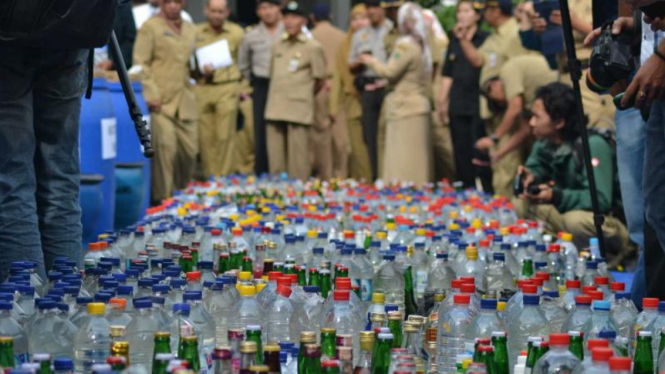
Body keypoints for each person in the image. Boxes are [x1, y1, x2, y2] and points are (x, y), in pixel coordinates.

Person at [514, 83, 633, 265]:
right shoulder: (545, 142)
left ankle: (607, 258)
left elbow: (600, 200)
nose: (531, 123)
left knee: (575, 221)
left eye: (537, 117)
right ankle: (556, 256)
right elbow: (537, 167)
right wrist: (530, 178)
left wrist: (556, 196)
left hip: (606, 222)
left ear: (559, 122)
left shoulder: (592, 145)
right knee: (522, 205)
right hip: (567, 214)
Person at [456, 0, 534, 196]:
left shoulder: (514, 33)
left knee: (507, 165)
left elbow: (521, 71)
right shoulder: (494, 37)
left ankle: (508, 214)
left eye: (486, 10)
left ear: (497, 10)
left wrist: (511, 101)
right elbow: (477, 60)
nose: (483, 15)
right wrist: (463, 39)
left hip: (509, 110)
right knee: (496, 164)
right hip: (491, 109)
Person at [359, 2, 432, 183]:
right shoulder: (422, 45)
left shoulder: (405, 46)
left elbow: (390, 72)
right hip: (417, 104)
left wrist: (371, 61)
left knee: (403, 162)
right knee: (417, 160)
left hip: (404, 107)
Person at [133, 0, 198, 204]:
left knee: (190, 152)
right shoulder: (150, 27)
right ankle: (163, 200)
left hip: (185, 100)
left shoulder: (190, 28)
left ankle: (182, 197)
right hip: (161, 100)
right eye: (169, 2)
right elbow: (140, 64)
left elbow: (193, 62)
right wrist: (151, 94)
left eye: (178, 2)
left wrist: (204, 69)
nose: (173, 6)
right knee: (166, 151)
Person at [264, 1, 327, 180]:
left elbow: (320, 80)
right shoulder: (278, 45)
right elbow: (272, 74)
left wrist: (303, 93)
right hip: (275, 106)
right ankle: (276, 193)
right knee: (276, 157)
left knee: (299, 160)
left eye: (295, 17)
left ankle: (299, 194)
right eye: (286, 17)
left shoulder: (313, 47)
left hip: (298, 108)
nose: (290, 21)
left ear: (304, 20)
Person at [439, 0, 489, 189]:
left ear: (477, 15)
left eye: (466, 11)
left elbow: (480, 62)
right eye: (459, 11)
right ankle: (464, 190)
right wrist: (442, 101)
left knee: (479, 152)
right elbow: (447, 74)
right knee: (460, 152)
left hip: (478, 102)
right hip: (458, 103)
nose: (461, 15)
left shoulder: (485, 38)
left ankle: (485, 191)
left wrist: (464, 39)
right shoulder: (453, 41)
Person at [476, 55, 558, 166]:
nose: (501, 104)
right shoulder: (521, 94)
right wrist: (498, 155)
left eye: (497, 101)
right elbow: (524, 130)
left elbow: (514, 108)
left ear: (493, 85)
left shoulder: (507, 71)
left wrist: (495, 138)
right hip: (556, 104)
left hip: (565, 93)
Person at [194, 0, 244, 178]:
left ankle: (223, 178)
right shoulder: (196, 32)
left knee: (225, 136)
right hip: (202, 86)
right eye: (213, 11)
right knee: (206, 137)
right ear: (206, 10)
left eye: (220, 12)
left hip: (227, 87)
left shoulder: (236, 33)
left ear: (227, 12)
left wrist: (243, 87)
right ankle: (210, 177)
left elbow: (243, 62)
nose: (216, 15)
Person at [348, 0, 393, 180]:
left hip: (387, 88)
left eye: (375, 7)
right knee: (370, 136)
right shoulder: (360, 35)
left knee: (389, 136)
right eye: (368, 7)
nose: (371, 11)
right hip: (368, 88)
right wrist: (359, 62)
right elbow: (350, 64)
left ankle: (390, 176)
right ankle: (376, 177)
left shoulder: (393, 31)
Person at [238, 0, 284, 175]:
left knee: (284, 128)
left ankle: (285, 171)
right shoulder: (251, 35)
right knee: (260, 129)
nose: (268, 12)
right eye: (263, 8)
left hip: (285, 85)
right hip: (261, 85)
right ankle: (263, 170)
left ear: (278, 8)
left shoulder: (289, 30)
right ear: (258, 11)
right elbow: (243, 65)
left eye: (271, 7)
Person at [330, 4, 373, 181]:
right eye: (354, 19)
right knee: (355, 145)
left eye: (363, 18)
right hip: (352, 100)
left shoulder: (378, 39)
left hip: (375, 98)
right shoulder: (344, 45)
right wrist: (333, 106)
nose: (359, 23)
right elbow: (339, 76)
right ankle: (363, 179)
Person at [310, 2, 347, 180]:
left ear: (312, 18)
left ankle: (325, 176)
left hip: (319, 86)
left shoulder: (310, 37)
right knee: (340, 135)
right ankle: (341, 174)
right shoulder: (342, 36)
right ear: (331, 16)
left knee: (320, 134)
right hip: (338, 86)